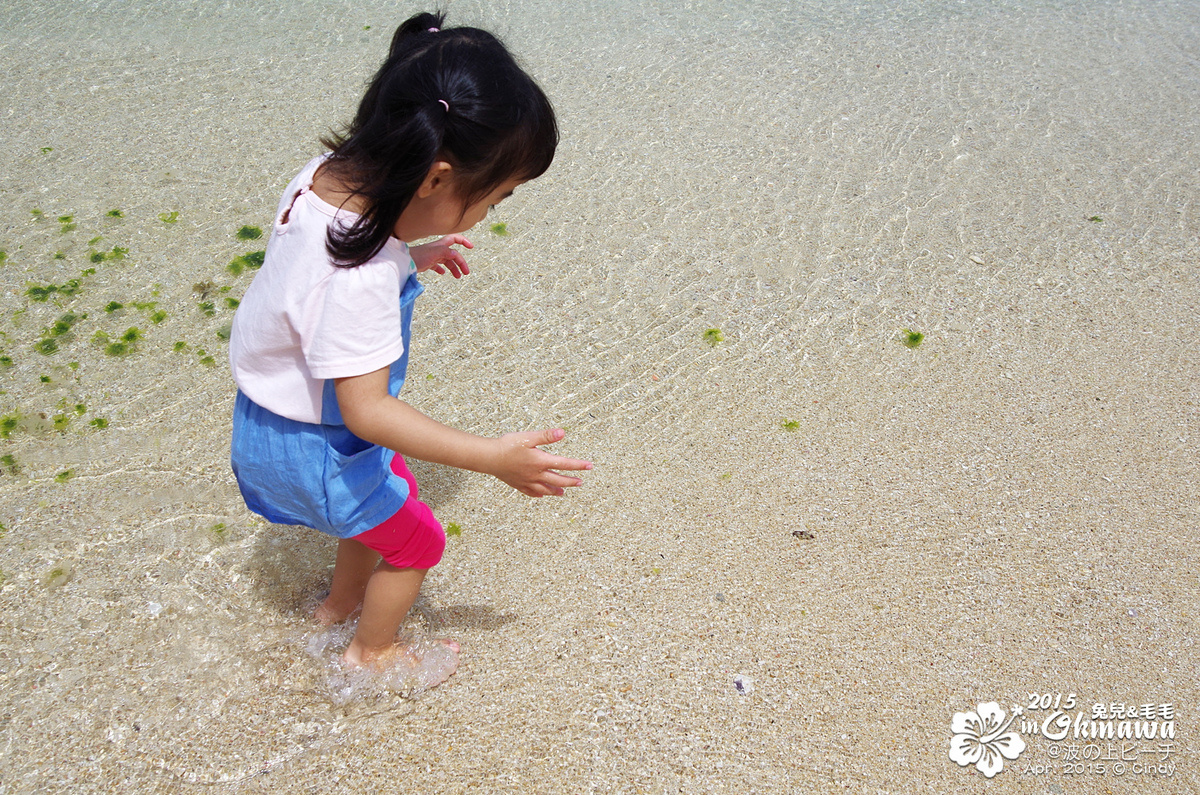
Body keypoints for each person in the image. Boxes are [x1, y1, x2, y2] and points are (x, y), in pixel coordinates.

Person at [229, 11, 591, 682]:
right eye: (496, 197)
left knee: (379, 503)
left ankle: (337, 605)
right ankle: (371, 651)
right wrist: (491, 457)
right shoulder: (362, 274)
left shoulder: (320, 180)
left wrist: (410, 255)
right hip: (320, 443)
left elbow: (313, 278)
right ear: (434, 179)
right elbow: (366, 411)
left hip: (263, 424)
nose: (490, 212)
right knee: (417, 539)